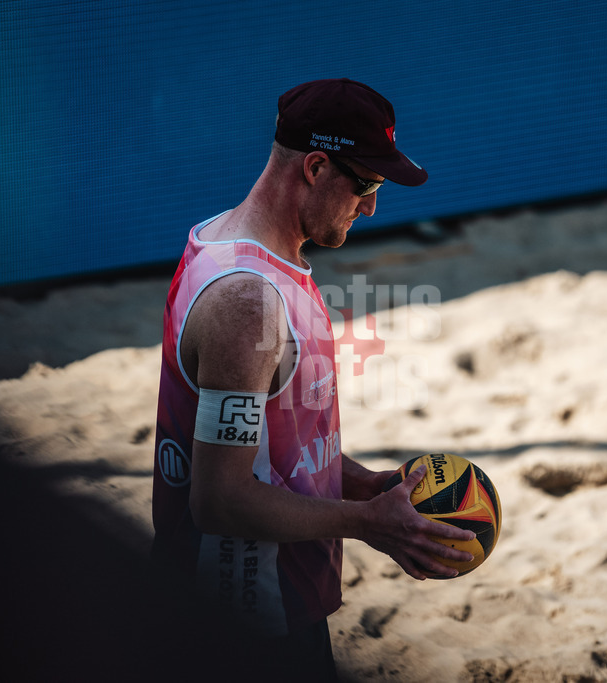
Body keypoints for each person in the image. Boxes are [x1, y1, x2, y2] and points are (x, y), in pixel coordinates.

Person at [149, 78, 474, 681]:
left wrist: (367, 486)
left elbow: (276, 442)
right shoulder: (246, 301)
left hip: (276, 610)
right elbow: (220, 499)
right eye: (367, 184)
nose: (372, 206)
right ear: (316, 166)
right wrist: (370, 525)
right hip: (241, 622)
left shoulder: (240, 244)